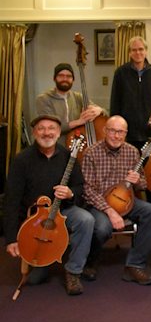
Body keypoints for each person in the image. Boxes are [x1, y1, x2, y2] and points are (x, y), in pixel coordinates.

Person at [3, 115, 94, 296]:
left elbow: (79, 186)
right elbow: (11, 200)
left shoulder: (69, 157)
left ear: (59, 132)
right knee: (35, 280)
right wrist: (11, 238)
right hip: (35, 218)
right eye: (41, 128)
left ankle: (73, 270)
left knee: (86, 220)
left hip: (63, 210)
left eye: (51, 128)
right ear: (34, 132)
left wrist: (70, 192)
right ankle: (46, 257)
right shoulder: (22, 160)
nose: (46, 133)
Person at [82, 115, 151, 284]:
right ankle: (90, 261)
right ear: (105, 131)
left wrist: (137, 180)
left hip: (126, 200)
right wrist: (110, 211)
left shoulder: (132, 151)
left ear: (125, 134)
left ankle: (134, 264)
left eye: (121, 132)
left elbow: (143, 185)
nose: (116, 136)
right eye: (112, 131)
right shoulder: (91, 153)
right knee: (102, 228)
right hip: (99, 202)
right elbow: (87, 189)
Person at [110, 36, 151, 149]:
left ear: (146, 51)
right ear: (129, 53)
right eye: (134, 50)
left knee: (149, 166)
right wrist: (116, 130)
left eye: (141, 49)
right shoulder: (120, 73)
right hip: (127, 133)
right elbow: (115, 102)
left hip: (150, 133)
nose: (138, 52)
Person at [35, 63, 106, 144]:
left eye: (69, 76)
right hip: (54, 146)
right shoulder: (43, 99)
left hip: (76, 144)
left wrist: (99, 110)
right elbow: (50, 129)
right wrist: (79, 122)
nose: (65, 79)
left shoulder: (78, 97)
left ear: (73, 80)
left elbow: (105, 113)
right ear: (54, 79)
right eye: (61, 75)